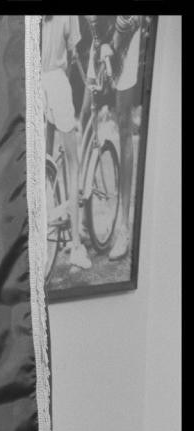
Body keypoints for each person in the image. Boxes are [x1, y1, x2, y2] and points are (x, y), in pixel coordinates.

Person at [42, 14, 92, 270]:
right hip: (57, 82)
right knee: (74, 165)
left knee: (36, 160)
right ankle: (75, 245)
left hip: (33, 84)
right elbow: (74, 53)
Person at [91, 15, 143, 261]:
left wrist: (113, 44)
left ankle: (123, 227)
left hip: (127, 36)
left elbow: (131, 18)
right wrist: (100, 41)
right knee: (84, 110)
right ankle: (82, 218)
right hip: (101, 34)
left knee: (123, 124)